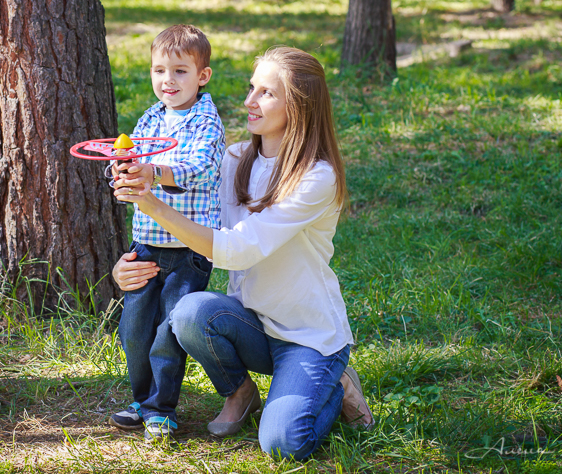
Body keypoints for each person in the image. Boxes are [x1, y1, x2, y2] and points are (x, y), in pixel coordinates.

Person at [112, 46, 374, 460]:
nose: (249, 101)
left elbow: (238, 250)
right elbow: (187, 204)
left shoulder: (316, 177)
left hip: (307, 337)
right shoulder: (235, 159)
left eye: (266, 93)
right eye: (252, 88)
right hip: (251, 322)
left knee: (283, 444)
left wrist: (152, 205)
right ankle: (240, 392)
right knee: (189, 312)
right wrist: (128, 263)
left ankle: (335, 379)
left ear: (299, 106)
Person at [108, 25, 226, 441]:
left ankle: (162, 408)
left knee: (168, 331)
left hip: (188, 251)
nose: (167, 81)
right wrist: (123, 170)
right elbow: (130, 168)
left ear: (202, 76)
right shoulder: (150, 117)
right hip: (146, 244)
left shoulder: (204, 121)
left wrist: (155, 173)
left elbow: (203, 170)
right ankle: (142, 399)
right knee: (135, 328)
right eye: (159, 70)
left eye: (179, 71)